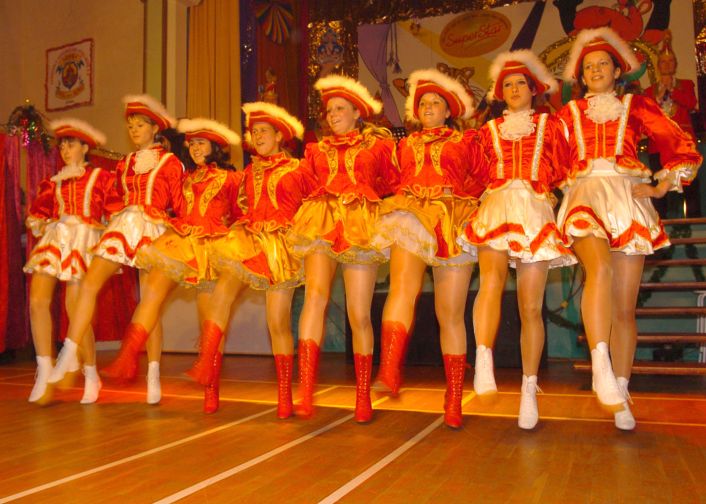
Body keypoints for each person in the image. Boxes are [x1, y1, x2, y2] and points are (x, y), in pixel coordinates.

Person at [558, 27, 702, 430]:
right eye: (589, 66)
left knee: (624, 309)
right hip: (585, 194)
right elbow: (546, 158)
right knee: (599, 269)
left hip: (626, 197)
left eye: (603, 63)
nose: (596, 70)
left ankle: (621, 392)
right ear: (581, 76)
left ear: (617, 70)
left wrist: (661, 184)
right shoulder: (567, 115)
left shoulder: (636, 105)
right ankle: (600, 365)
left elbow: (678, 141)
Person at [459, 51, 573, 429]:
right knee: (490, 282)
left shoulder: (550, 126)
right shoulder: (487, 131)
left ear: (533, 89)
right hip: (496, 204)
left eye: (519, 83)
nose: (513, 89)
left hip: (534, 210)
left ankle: (528, 387)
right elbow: (472, 173)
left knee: (530, 307)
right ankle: (484, 357)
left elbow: (567, 165)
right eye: (506, 85)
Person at [47, 95, 184, 404]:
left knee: (150, 304)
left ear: (154, 129)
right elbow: (114, 200)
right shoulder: (124, 163)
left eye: (139, 126)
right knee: (89, 284)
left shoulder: (170, 162)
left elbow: (180, 203)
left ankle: (153, 373)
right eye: (130, 126)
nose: (133, 131)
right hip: (124, 226)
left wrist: (181, 235)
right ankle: (70, 352)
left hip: (154, 229)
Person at [102, 118, 242, 405]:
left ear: (216, 147)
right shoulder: (186, 177)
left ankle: (210, 388)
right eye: (192, 144)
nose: (195, 148)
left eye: (201, 143)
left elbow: (240, 214)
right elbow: (175, 206)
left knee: (208, 319)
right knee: (152, 291)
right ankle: (128, 355)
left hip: (212, 249)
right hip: (183, 241)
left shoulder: (231, 179)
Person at [371, 68, 482, 428]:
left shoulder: (466, 142)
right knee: (402, 288)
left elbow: (481, 177)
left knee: (449, 313)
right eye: (423, 103)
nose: (429, 107)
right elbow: (388, 179)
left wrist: (464, 198)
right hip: (411, 214)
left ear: (449, 111)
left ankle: (454, 396)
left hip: (452, 219)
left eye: (436, 102)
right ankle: (389, 368)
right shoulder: (405, 145)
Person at [287, 74, 399, 422]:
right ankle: (306, 391)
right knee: (314, 297)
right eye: (329, 110)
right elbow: (303, 185)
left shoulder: (376, 147)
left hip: (360, 224)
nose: (332, 115)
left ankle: (363, 394)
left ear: (357, 112)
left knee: (359, 313)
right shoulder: (315, 151)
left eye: (340, 109)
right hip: (321, 220)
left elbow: (392, 183)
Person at [190, 102, 311, 415]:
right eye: (254, 132)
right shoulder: (248, 172)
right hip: (249, 241)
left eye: (264, 131)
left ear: (279, 136)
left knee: (277, 322)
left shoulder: (297, 169)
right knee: (220, 296)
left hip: (281, 249)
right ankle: (208, 376)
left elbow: (313, 205)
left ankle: (285, 395)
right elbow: (240, 207)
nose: (257, 136)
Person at [24, 119, 114, 404]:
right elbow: (38, 214)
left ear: (85, 148)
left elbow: (114, 210)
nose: (64, 149)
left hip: (84, 239)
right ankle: (44, 367)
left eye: (71, 144)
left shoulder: (100, 177)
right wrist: (43, 221)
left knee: (75, 308)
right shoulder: (53, 182)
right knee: (37, 300)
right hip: (57, 237)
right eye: (61, 145)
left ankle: (91, 373)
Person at [645, 30, 700, 217]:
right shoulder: (650, 91)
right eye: (663, 62)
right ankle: (661, 223)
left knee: (689, 185)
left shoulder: (686, 85)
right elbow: (646, 116)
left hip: (683, 145)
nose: (667, 64)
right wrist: (659, 96)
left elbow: (691, 103)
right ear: (658, 66)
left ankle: (694, 221)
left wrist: (672, 90)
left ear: (675, 65)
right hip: (658, 146)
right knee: (659, 185)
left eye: (670, 61)